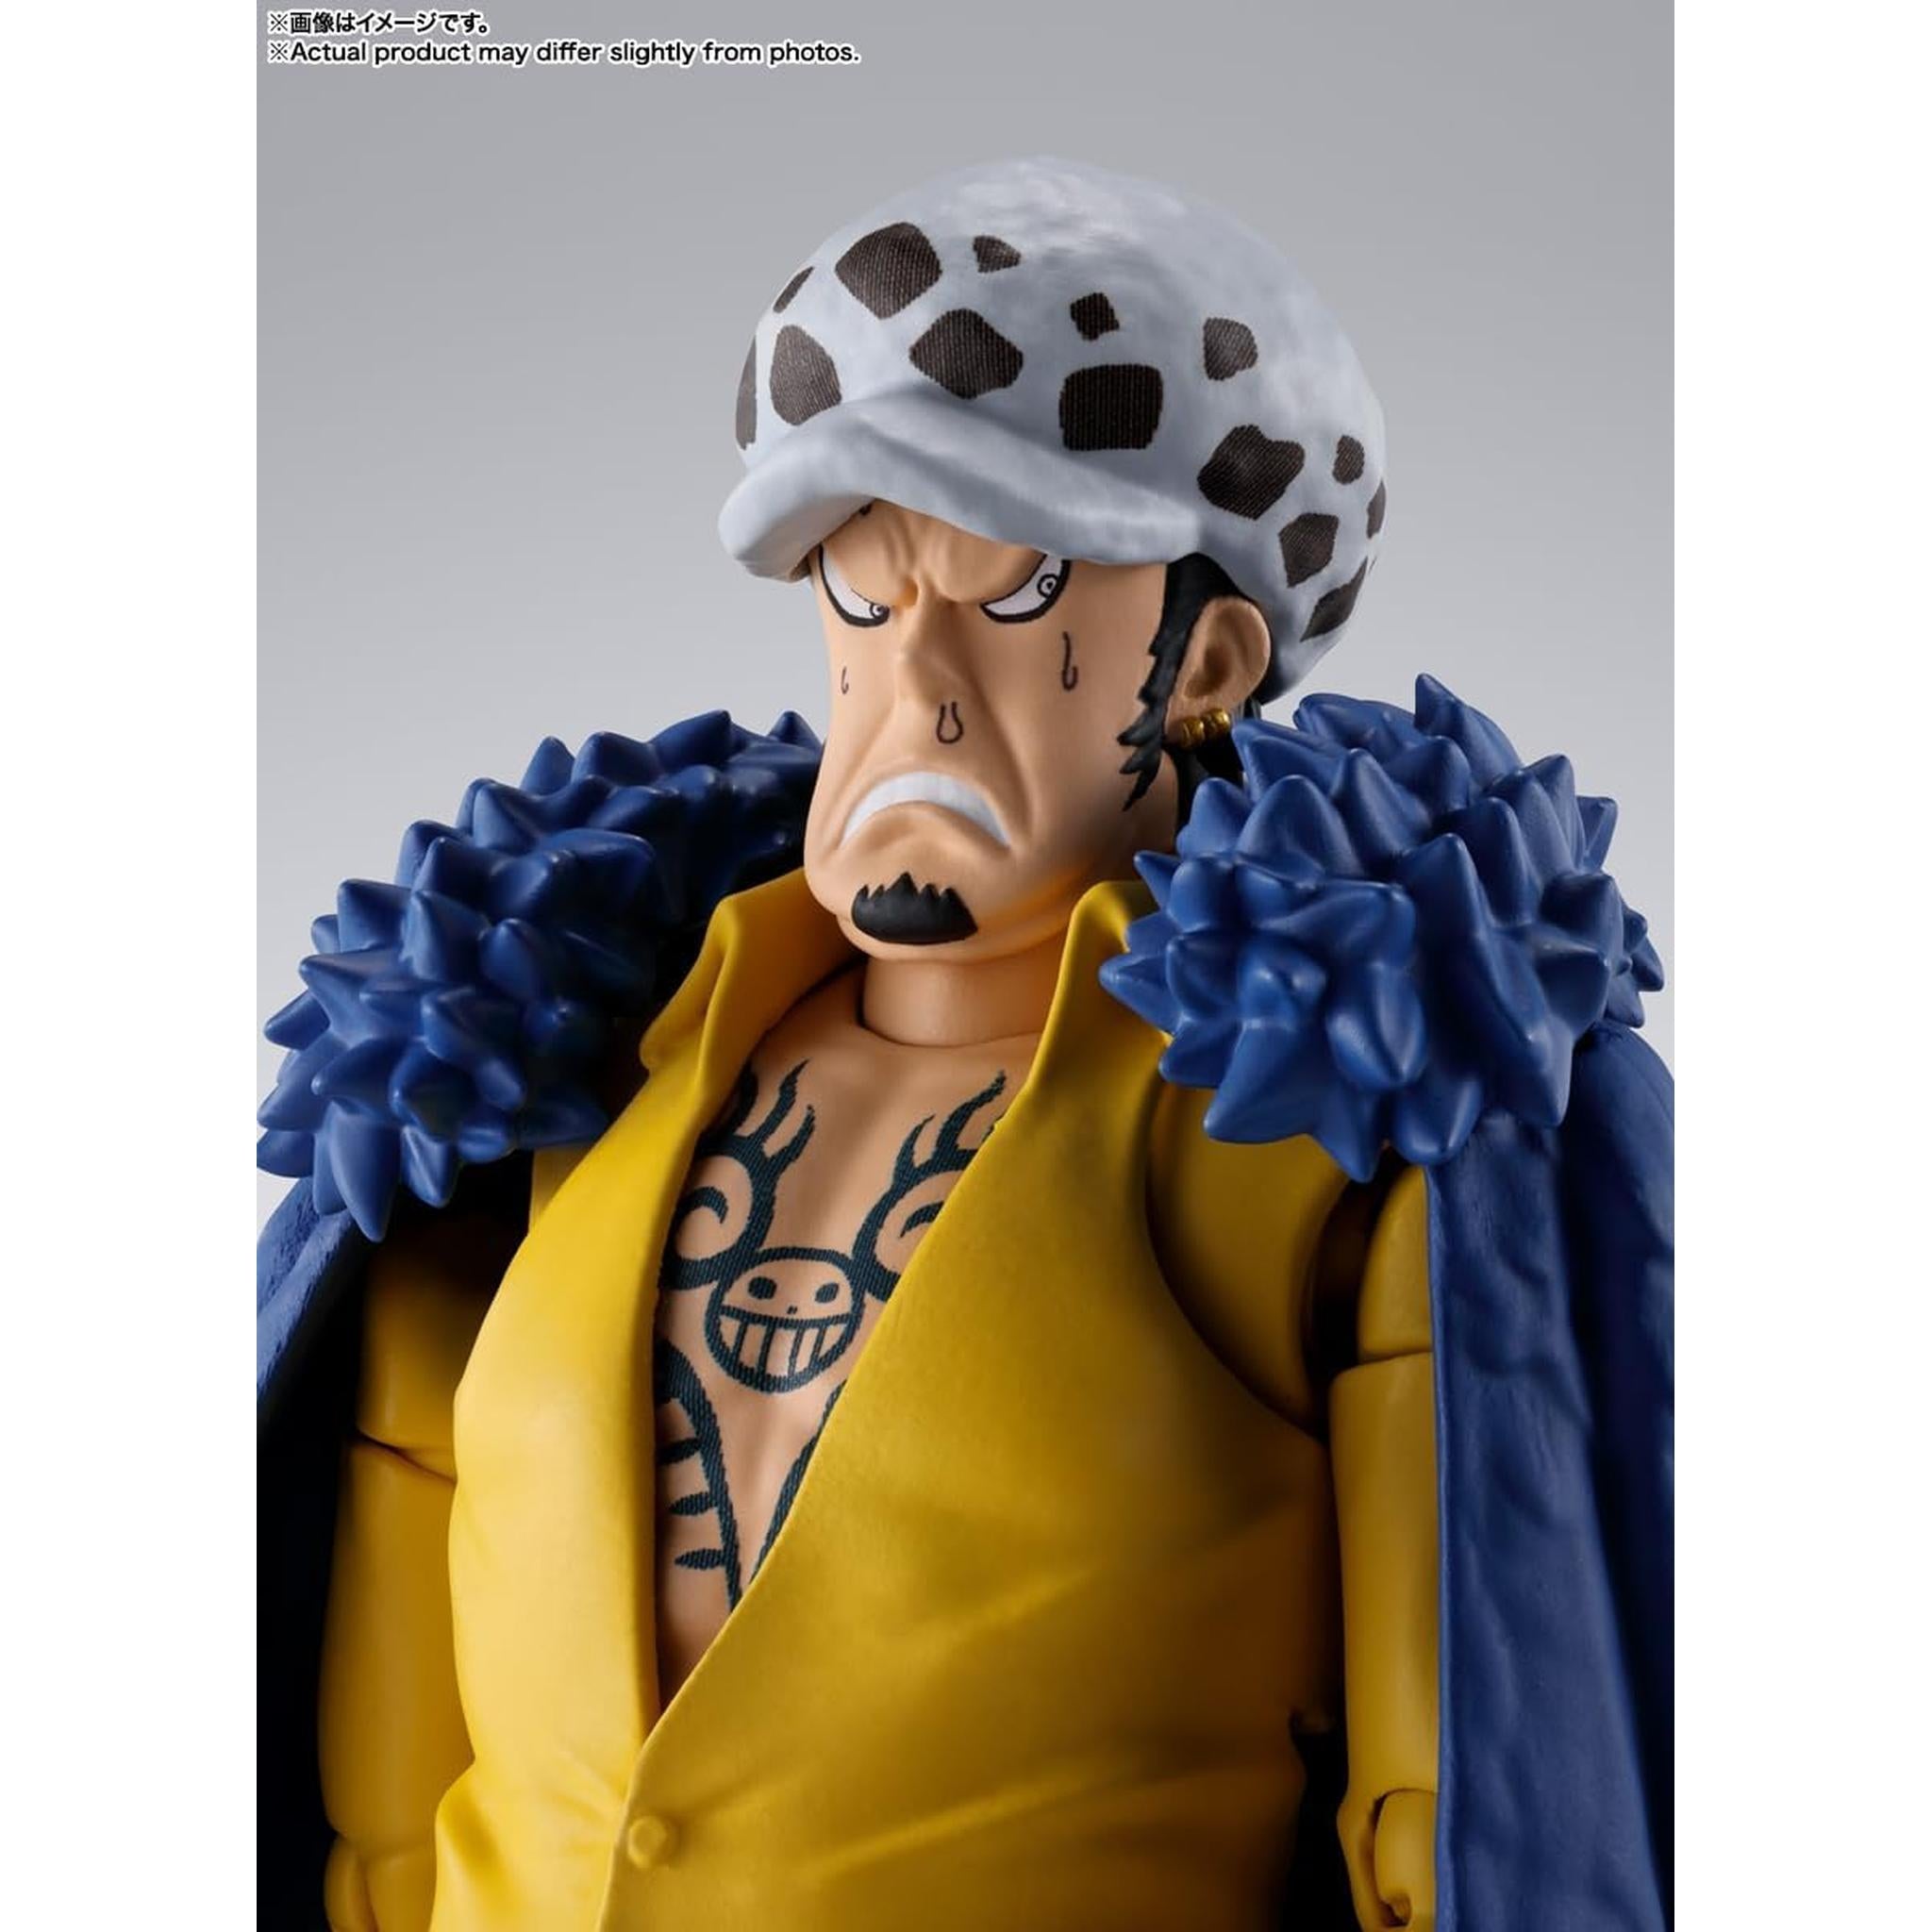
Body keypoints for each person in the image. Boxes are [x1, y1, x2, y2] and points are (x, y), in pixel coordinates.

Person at [259, 158, 1673, 1932]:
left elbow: (1457, 1810)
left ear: (1208, 662)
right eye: (865, 593)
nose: (918, 686)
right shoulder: (557, 1078)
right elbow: (391, 1776)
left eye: (1017, 599)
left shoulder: (1314, 1156)